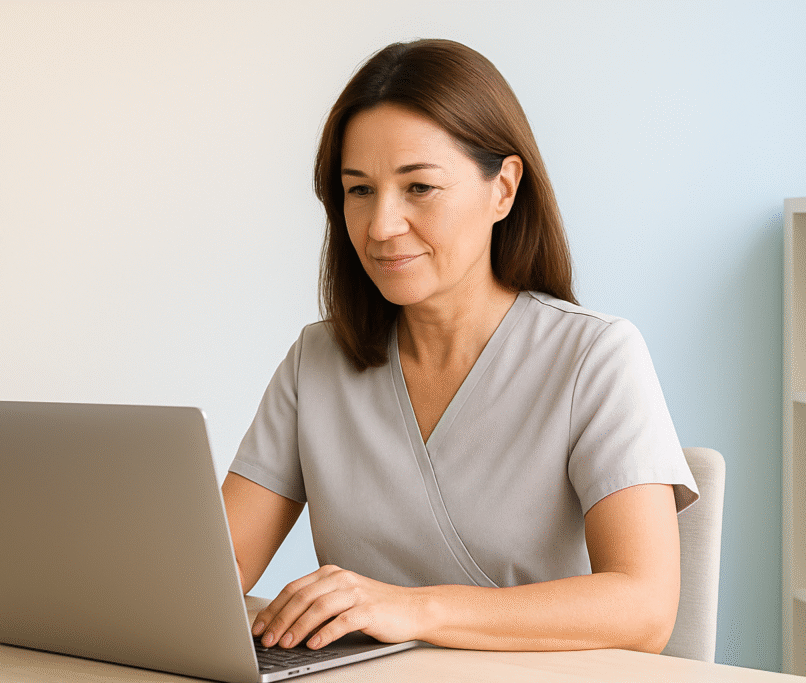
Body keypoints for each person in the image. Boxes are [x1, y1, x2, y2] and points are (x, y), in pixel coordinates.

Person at [221, 38, 698, 655]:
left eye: (418, 187)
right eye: (359, 190)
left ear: (503, 189)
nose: (381, 225)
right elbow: (216, 568)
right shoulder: (318, 360)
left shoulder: (595, 356)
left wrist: (414, 608)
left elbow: (644, 608)